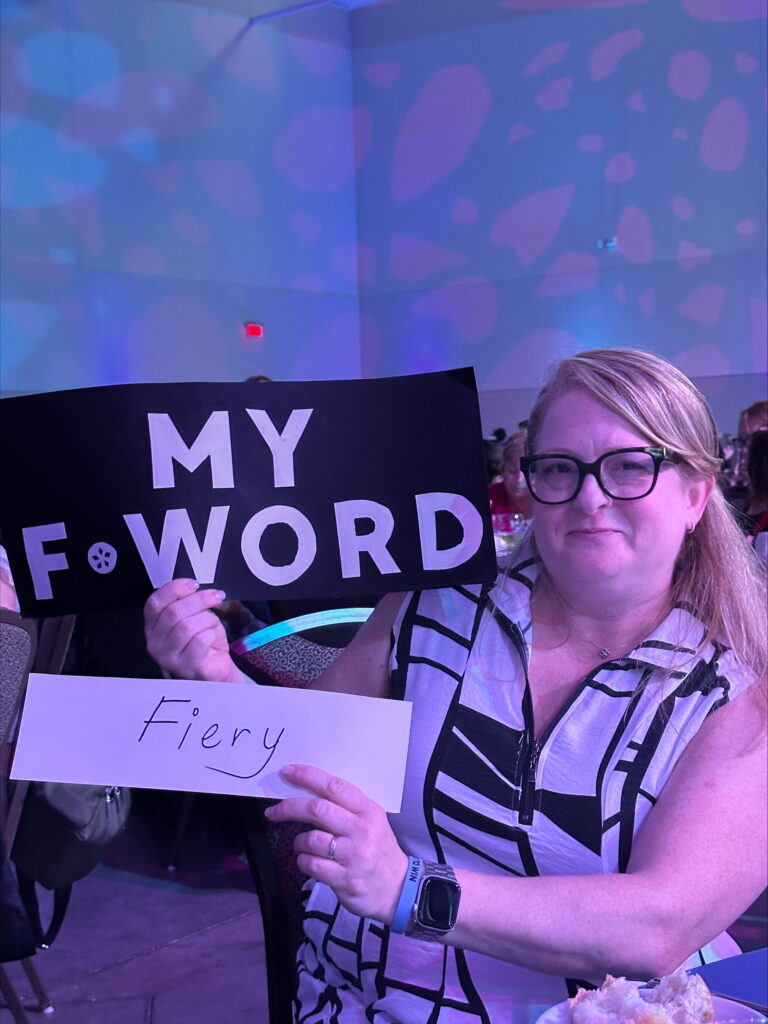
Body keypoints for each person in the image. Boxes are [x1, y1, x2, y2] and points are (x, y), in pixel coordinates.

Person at [144, 349, 767, 1022]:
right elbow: (303, 756)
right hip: (371, 1001)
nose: (590, 497)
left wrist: (407, 889)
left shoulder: (736, 690)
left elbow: (658, 926)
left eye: (630, 466)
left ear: (696, 494)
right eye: (560, 468)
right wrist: (214, 675)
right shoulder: (435, 606)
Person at [488, 429, 535, 519]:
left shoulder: (554, 501)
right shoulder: (487, 496)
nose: (519, 480)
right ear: (502, 470)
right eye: (512, 471)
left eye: (526, 472)